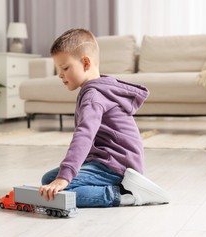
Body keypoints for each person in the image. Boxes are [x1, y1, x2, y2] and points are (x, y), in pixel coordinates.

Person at [38, 28, 170, 207]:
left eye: (65, 68)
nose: (60, 74)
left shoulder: (94, 96)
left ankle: (124, 194)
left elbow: (84, 135)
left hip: (116, 165)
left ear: (85, 63)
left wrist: (65, 176)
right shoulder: (97, 89)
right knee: (48, 180)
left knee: (62, 192)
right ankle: (119, 186)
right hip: (110, 161)